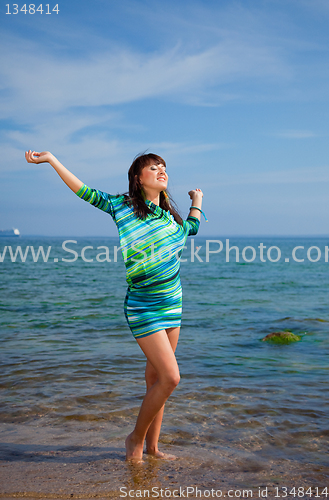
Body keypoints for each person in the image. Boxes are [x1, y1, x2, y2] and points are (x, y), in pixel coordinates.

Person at [25, 150, 204, 461]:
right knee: (171, 378)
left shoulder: (171, 219)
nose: (161, 170)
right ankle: (134, 440)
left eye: (163, 167)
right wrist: (52, 160)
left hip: (172, 305)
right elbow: (83, 191)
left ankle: (153, 447)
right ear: (138, 178)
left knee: (156, 379)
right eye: (153, 167)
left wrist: (196, 200)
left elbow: (193, 227)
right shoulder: (122, 206)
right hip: (142, 307)